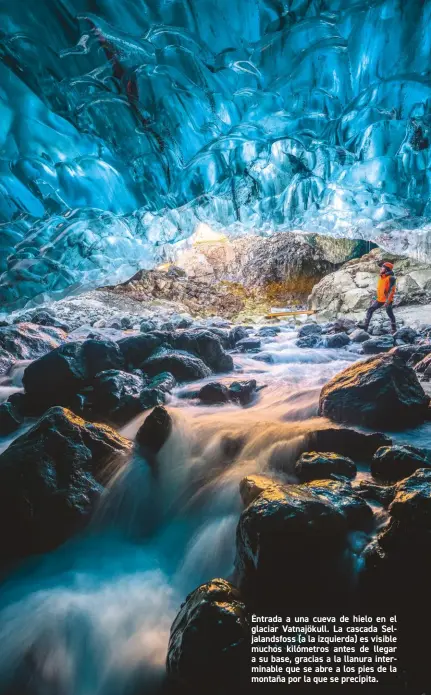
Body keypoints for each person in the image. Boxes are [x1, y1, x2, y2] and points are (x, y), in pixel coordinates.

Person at [359, 261, 397, 334]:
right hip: (380, 299)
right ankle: (365, 326)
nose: (380, 269)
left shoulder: (391, 278)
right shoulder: (382, 277)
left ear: (387, 269)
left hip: (387, 299)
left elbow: (391, 290)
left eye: (382, 267)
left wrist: (387, 301)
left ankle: (394, 329)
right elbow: (380, 289)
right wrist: (375, 298)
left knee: (389, 313)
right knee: (370, 309)